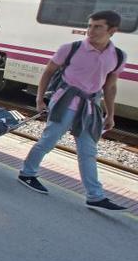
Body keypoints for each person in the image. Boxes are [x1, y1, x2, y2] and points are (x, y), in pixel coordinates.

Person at [17, 11, 127, 211]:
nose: (90, 30)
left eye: (97, 26)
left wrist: (110, 114)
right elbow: (48, 71)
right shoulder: (71, 48)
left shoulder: (118, 56)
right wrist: (39, 99)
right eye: (90, 25)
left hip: (91, 107)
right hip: (64, 102)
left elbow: (110, 87)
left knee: (88, 151)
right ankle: (27, 173)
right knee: (48, 140)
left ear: (112, 30)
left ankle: (95, 195)